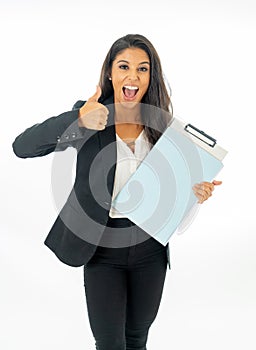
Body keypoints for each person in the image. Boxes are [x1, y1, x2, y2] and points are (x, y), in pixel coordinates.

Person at [12, 34, 222, 350]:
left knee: (137, 340)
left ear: (151, 77)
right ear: (110, 72)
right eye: (124, 66)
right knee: (110, 342)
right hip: (101, 247)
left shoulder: (163, 128)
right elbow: (22, 147)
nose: (133, 76)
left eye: (143, 69)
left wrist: (195, 194)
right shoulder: (91, 116)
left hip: (150, 248)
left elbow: (171, 200)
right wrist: (78, 119)